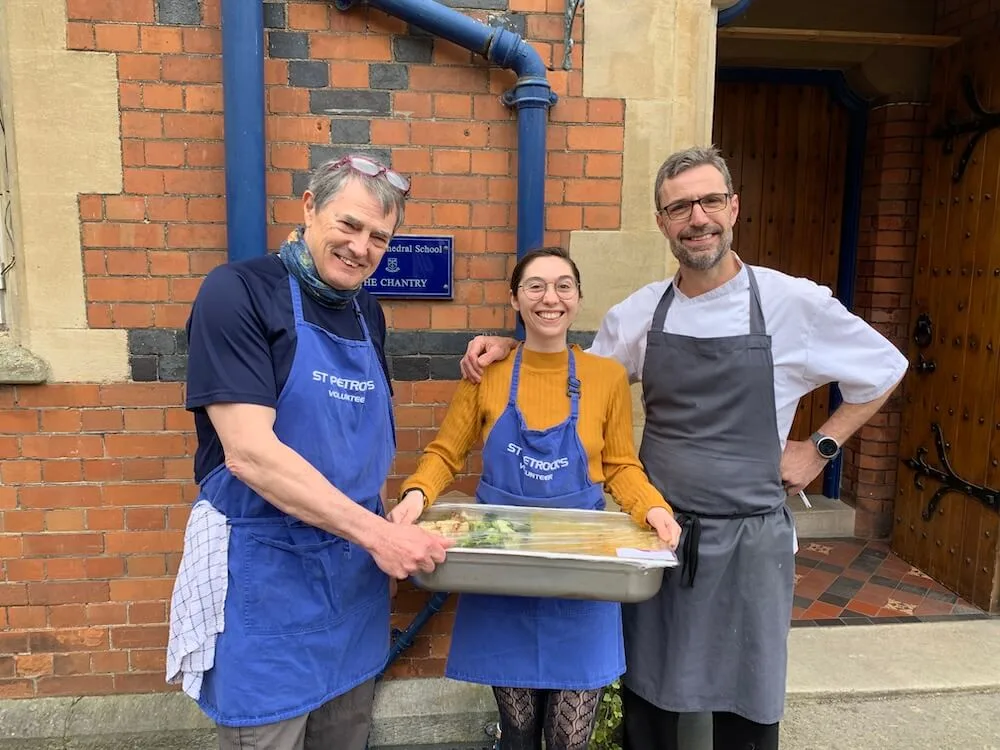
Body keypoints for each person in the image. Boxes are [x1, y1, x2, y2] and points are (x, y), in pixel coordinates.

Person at [459, 146, 909, 750]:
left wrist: (821, 446)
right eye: (679, 207)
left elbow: (884, 367)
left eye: (710, 201)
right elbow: (576, 382)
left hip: (752, 541)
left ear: (734, 207)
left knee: (745, 715)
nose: (697, 217)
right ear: (662, 221)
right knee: (652, 710)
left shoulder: (793, 303)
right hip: (661, 537)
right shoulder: (640, 313)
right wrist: (511, 349)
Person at [165, 155, 452, 750]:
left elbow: (355, 439)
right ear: (308, 208)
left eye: (379, 237)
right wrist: (379, 537)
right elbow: (250, 454)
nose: (361, 247)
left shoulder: (365, 310)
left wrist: (389, 520)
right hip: (267, 582)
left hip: (351, 585)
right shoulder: (239, 291)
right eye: (348, 225)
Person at [389, 246, 682, 750]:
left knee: (569, 737)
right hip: (503, 568)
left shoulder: (606, 378)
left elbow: (620, 465)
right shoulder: (488, 373)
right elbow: (446, 453)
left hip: (582, 569)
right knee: (520, 730)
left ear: (579, 298)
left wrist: (653, 508)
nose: (551, 298)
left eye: (564, 286)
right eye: (536, 286)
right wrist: (415, 496)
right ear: (515, 300)